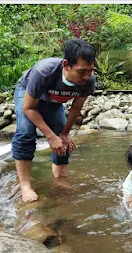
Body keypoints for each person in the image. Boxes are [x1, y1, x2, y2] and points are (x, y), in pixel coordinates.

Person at [11, 38, 96, 203]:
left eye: (90, 70)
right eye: (81, 71)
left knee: (64, 140)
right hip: (28, 93)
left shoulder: (88, 81)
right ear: (66, 65)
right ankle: (25, 186)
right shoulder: (44, 72)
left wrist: (64, 133)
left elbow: (76, 109)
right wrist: (51, 136)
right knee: (25, 133)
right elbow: (29, 108)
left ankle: (60, 179)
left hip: (54, 100)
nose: (86, 76)